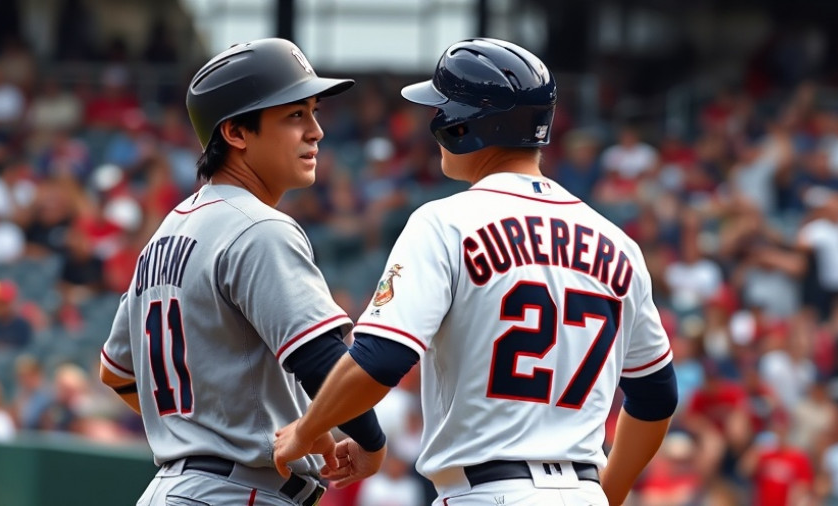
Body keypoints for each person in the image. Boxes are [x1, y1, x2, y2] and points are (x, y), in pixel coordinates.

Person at [274, 38, 678, 506]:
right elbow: (655, 397)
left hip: (486, 492)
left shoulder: (445, 222)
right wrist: (608, 494)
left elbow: (380, 360)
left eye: (442, 110)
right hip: (581, 489)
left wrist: (307, 429)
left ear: (466, 126)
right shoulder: (618, 244)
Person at [99, 38, 387, 506]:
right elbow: (320, 359)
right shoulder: (259, 227)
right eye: (295, 115)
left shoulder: (166, 234)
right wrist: (371, 444)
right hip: (237, 492)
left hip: (178, 488)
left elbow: (117, 372)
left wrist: (215, 427)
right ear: (235, 133)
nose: (315, 131)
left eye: (314, 112)